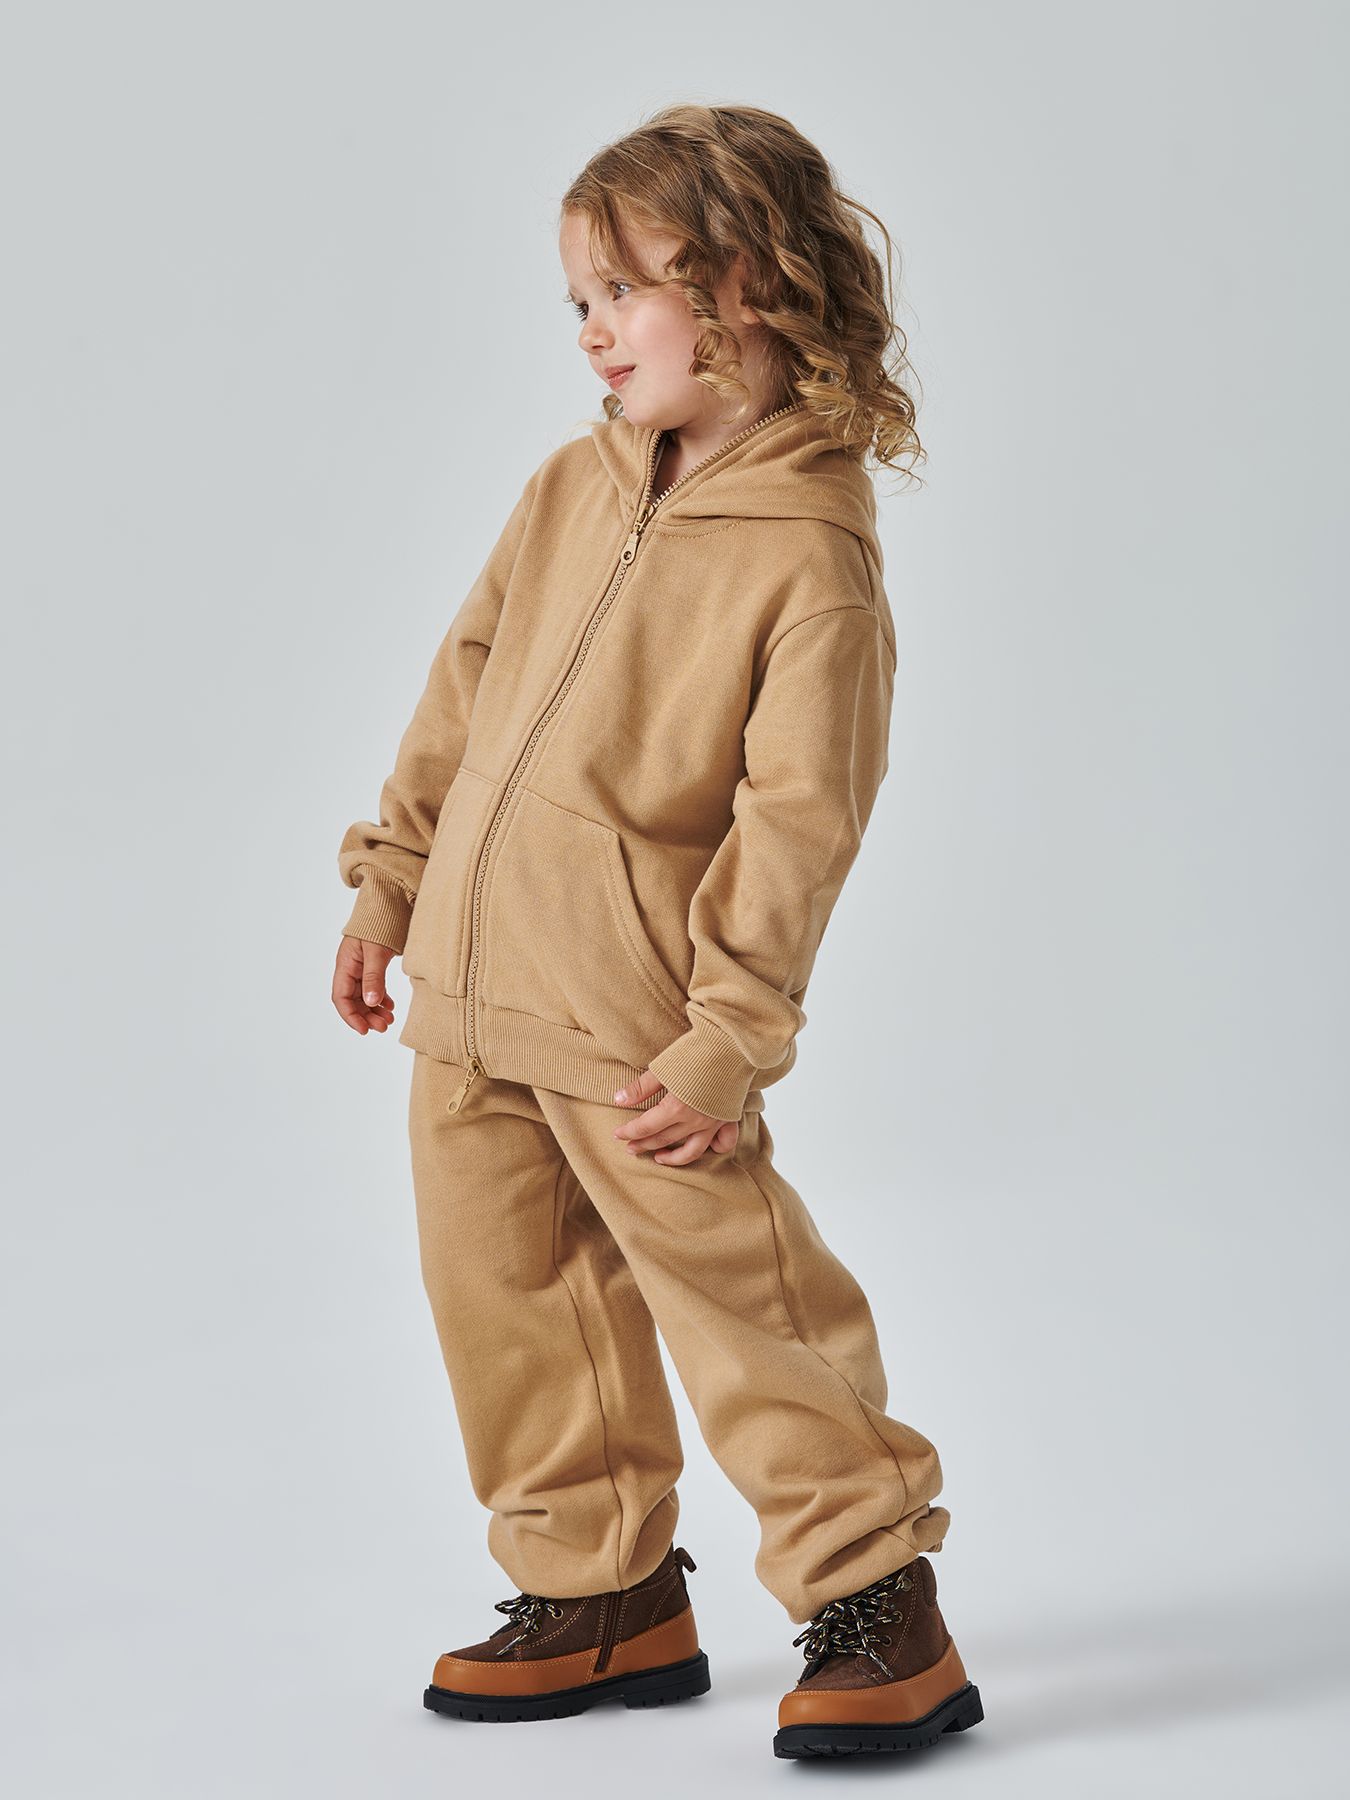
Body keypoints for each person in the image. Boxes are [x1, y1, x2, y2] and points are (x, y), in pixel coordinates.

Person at [331, 102, 982, 1761]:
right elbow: (467, 679)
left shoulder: (809, 557)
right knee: (506, 1303)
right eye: (578, 300)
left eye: (621, 292)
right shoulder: (572, 483)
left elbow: (800, 819)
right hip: (469, 984)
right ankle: (600, 1592)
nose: (590, 331)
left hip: (640, 1026)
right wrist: (393, 876)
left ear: (746, 286)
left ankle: (876, 1591)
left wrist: (731, 1033)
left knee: (745, 1307)